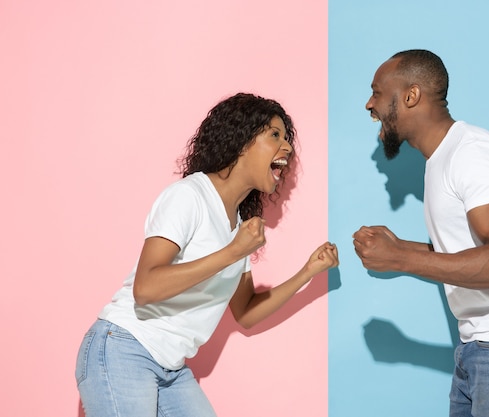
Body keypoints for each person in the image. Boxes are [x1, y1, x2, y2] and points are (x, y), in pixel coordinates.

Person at [75, 92, 339, 417]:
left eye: (287, 138)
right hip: (123, 348)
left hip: (170, 369)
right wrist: (232, 252)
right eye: (275, 135)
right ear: (242, 142)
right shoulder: (189, 197)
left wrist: (307, 273)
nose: (286, 147)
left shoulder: (238, 226)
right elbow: (146, 288)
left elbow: (246, 311)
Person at [353, 50, 489, 417]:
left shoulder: (472, 154)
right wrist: (398, 247)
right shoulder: (441, 159)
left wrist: (400, 258)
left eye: (377, 92)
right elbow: (470, 249)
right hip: (485, 346)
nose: (369, 104)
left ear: (411, 96)